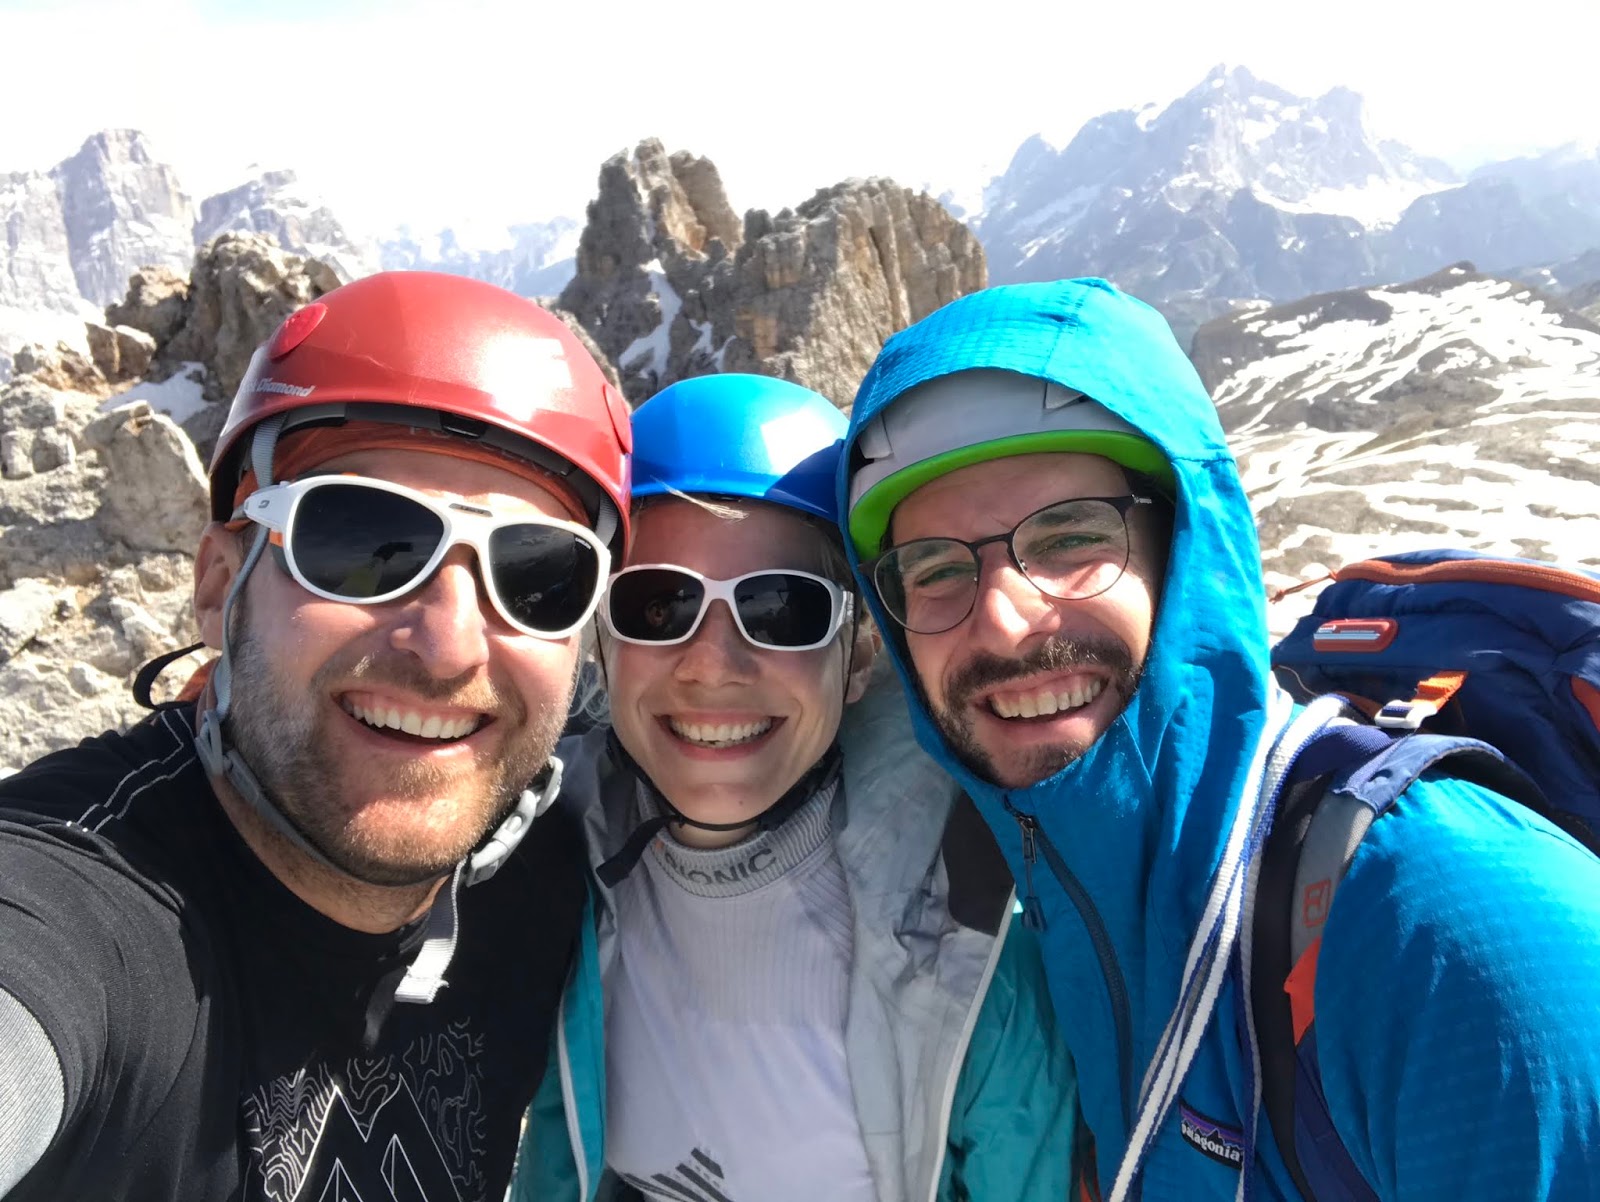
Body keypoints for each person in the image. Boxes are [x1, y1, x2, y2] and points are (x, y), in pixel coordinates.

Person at [837, 278, 1600, 1201]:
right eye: (932, 569)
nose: (1001, 620)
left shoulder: (1452, 932)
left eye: (1070, 537)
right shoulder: (1057, 903)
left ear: (1188, 550)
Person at [0, 272, 634, 1201]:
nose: (449, 648)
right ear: (220, 586)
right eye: (363, 544)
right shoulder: (84, 906)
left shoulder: (558, 849)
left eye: (538, 578)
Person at [511, 373, 1078, 1202]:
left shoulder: (974, 927)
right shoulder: (557, 872)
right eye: (658, 605)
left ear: (858, 655)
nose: (712, 666)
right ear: (604, 643)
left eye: (781, 609)